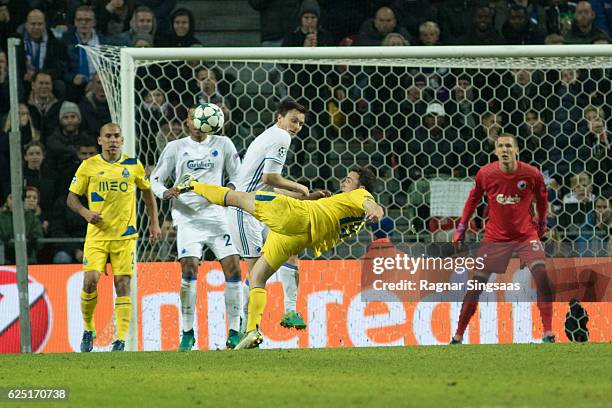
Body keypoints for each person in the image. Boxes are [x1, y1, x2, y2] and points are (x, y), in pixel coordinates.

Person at [176, 165, 384, 349]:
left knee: (237, 198)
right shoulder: (353, 216)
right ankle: (251, 331)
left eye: (348, 180)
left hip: (294, 215)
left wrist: (376, 210)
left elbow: (370, 204)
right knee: (257, 276)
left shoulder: (359, 196)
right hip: (298, 238)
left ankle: (192, 184)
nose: (343, 182)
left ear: (361, 187)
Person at [150, 106, 243, 350]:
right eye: (194, 117)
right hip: (187, 217)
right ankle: (188, 333)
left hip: (217, 215)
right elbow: (156, 179)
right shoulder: (175, 147)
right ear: (188, 122)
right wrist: (165, 192)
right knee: (189, 268)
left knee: (233, 268)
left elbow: (237, 174)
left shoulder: (224, 143)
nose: (198, 121)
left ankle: (234, 330)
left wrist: (229, 190)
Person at [451, 134, 555, 344]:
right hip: (495, 237)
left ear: (516, 150)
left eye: (509, 146)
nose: (505, 150)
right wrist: (462, 226)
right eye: (501, 146)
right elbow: (473, 200)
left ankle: (548, 332)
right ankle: (458, 335)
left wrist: (542, 223)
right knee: (476, 285)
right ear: (495, 151)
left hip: (526, 235)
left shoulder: (531, 174)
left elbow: (543, 200)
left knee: (542, 277)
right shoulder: (486, 174)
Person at [67, 122, 161, 352]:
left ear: (122, 140)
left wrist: (154, 223)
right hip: (97, 237)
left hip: (125, 237)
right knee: (90, 282)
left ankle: (120, 339)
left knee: (123, 284)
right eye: (107, 136)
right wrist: (85, 212)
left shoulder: (133, 165)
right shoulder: (88, 166)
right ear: (100, 140)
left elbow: (148, 194)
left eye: (116, 136)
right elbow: (71, 199)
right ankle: (88, 329)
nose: (112, 140)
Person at [226, 99, 310, 332]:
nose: (296, 127)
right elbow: (270, 178)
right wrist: (299, 187)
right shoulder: (280, 137)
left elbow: (268, 187)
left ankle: (291, 311)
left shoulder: (269, 136)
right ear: (279, 118)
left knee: (290, 250)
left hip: (260, 208)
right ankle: (247, 328)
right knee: (256, 274)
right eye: (293, 120)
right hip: (243, 211)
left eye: (301, 124)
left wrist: (299, 197)